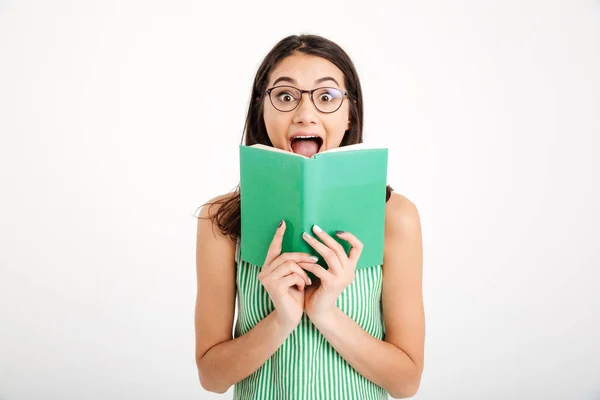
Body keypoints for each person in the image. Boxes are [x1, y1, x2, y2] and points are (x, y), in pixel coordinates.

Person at [194, 34, 425, 399]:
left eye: (327, 96)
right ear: (261, 109)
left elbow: (406, 382)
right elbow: (212, 377)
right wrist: (281, 320)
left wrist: (324, 313)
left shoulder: (395, 218)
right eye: (285, 96)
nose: (305, 114)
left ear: (350, 114)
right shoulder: (219, 222)